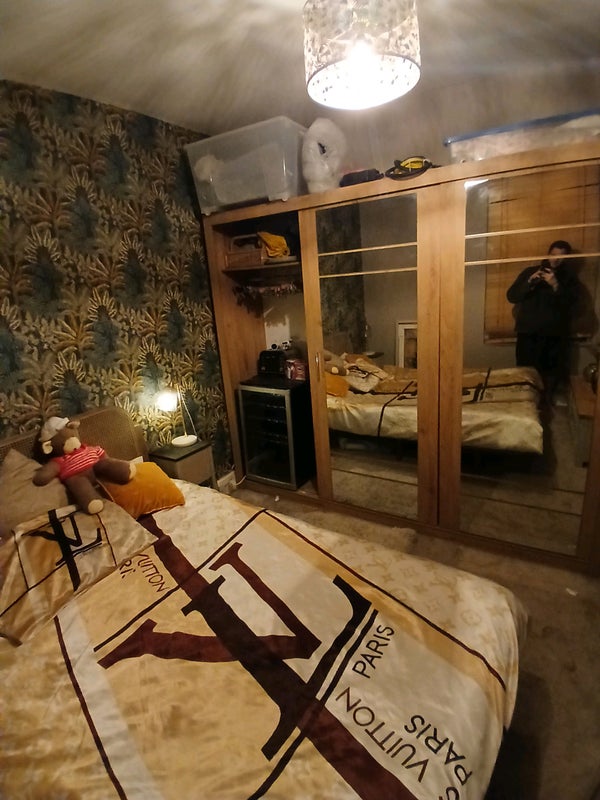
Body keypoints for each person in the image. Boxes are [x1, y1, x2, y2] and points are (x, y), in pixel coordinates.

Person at [506, 240, 580, 403]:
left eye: (561, 257)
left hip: (553, 335)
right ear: (548, 254)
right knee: (525, 372)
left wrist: (555, 285)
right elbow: (511, 296)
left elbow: (573, 305)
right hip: (528, 332)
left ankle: (545, 406)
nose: (556, 259)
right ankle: (525, 405)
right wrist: (529, 283)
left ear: (567, 258)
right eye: (553, 255)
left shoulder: (570, 279)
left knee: (549, 375)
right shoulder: (530, 272)